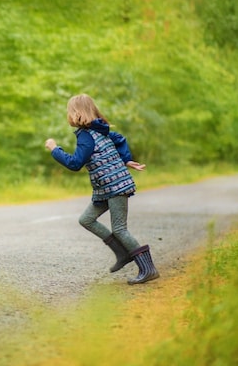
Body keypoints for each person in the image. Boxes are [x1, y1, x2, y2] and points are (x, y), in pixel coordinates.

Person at [44, 94, 159, 285]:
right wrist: (126, 159)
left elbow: (75, 163)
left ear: (75, 113)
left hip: (114, 186)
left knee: (120, 229)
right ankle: (122, 253)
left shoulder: (86, 136)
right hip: (105, 188)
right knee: (86, 219)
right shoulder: (99, 130)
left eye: (69, 111)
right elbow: (118, 140)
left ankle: (148, 268)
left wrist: (55, 149)